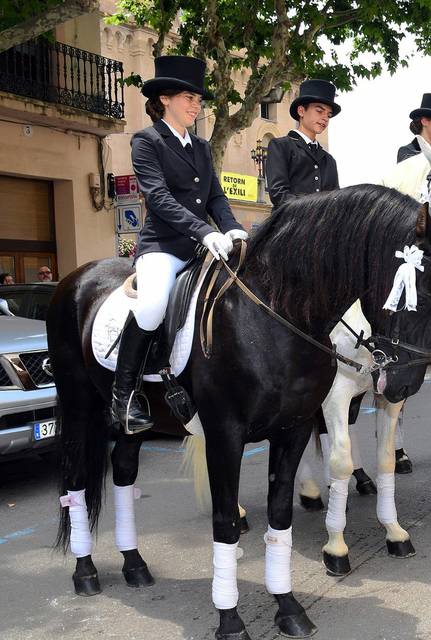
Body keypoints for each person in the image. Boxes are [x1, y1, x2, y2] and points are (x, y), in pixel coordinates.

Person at [117, 55, 246, 433]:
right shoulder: (146, 141)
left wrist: (232, 228)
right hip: (163, 247)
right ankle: (124, 395)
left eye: (198, 100)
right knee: (155, 302)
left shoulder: (202, 148)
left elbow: (216, 198)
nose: (196, 106)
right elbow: (158, 198)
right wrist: (203, 230)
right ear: (166, 99)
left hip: (201, 247)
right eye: (189, 97)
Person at [265, 79, 340, 207]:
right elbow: (279, 194)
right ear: (301, 111)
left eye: (328, 115)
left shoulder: (329, 160)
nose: (325, 118)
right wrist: (313, 209)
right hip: (288, 224)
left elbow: (336, 199)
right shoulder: (280, 146)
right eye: (319, 111)